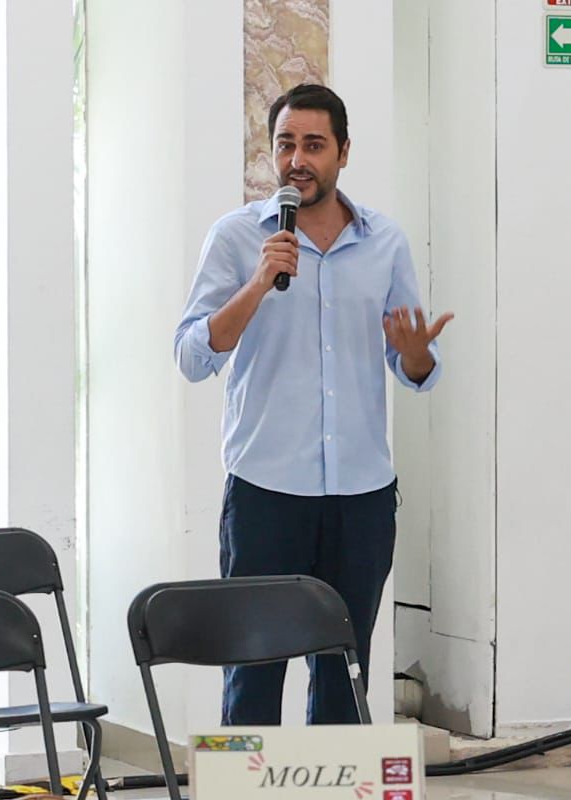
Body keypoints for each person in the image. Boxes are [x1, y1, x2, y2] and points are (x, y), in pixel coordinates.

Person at [174, 83, 452, 725]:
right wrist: (256, 283)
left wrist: (414, 354)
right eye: (285, 144)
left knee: (345, 669)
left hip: (362, 492)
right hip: (266, 488)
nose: (298, 159)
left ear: (344, 152)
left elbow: (415, 369)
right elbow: (193, 356)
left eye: (314, 145)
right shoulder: (237, 236)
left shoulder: (385, 242)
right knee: (253, 666)